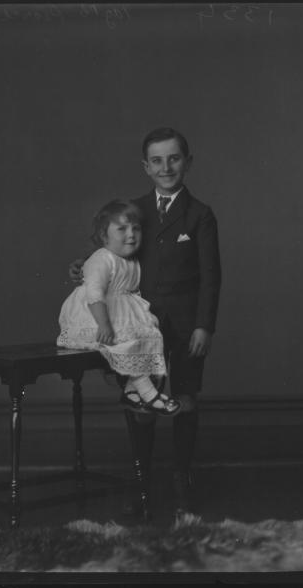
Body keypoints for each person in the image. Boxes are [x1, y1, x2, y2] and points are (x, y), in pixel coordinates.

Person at [70, 127, 221, 517]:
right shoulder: (133, 210)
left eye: (174, 158)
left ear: (188, 162)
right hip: (138, 323)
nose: (166, 167)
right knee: (141, 398)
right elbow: (109, 252)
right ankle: (142, 475)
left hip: (187, 322)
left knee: (185, 397)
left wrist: (204, 325)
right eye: (157, 160)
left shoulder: (200, 214)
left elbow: (210, 275)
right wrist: (83, 268)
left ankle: (182, 474)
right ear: (146, 167)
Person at [58, 199, 180, 416]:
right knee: (125, 342)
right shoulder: (102, 258)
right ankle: (149, 393)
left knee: (149, 338)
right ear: (104, 236)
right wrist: (103, 324)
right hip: (95, 315)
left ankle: (131, 392)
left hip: (122, 312)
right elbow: (94, 294)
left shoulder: (132, 260)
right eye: (122, 229)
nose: (131, 234)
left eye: (136, 228)